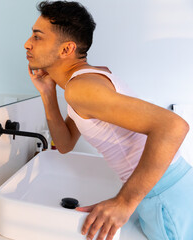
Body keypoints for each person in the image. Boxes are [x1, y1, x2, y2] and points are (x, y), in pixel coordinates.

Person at [25, 1, 193, 240]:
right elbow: (65, 144)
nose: (27, 43)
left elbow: (174, 126)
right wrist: (47, 93)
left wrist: (124, 202)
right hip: (162, 190)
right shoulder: (82, 82)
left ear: (66, 49)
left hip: (164, 196)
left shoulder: (82, 89)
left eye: (37, 37)